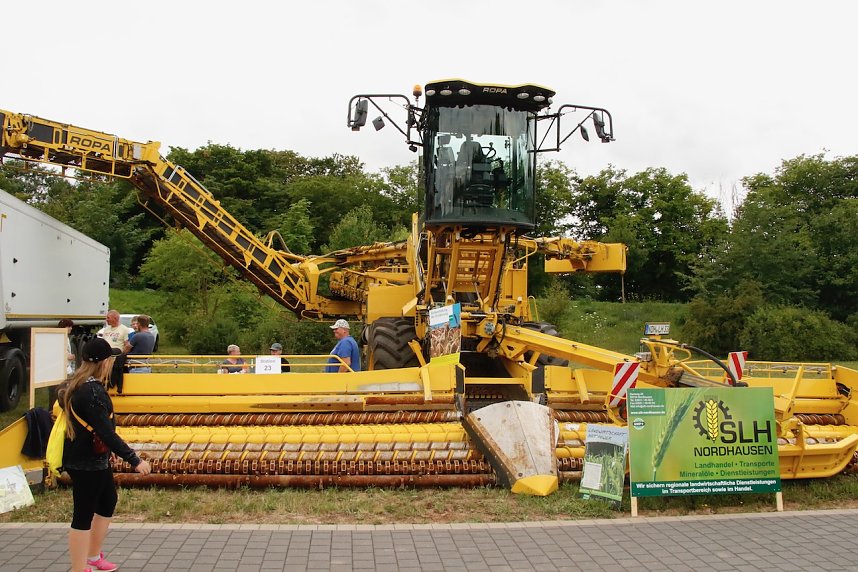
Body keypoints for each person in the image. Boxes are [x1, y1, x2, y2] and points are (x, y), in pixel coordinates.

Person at [60, 337, 151, 572]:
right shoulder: (91, 392)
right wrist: (134, 459)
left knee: (107, 501)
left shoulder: (80, 384)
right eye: (111, 358)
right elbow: (105, 432)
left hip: (91, 457)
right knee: (83, 514)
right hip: (85, 461)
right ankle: (79, 567)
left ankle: (93, 556)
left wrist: (108, 451)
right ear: (104, 362)